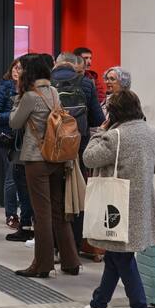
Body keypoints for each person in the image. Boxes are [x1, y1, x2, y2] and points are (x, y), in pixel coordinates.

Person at [68, 90, 155, 308]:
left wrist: (99, 132)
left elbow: (89, 159)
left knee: (121, 258)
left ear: (114, 112)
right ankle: (98, 306)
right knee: (115, 256)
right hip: (141, 205)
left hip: (117, 207)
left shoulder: (114, 136)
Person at [10, 54, 80, 278]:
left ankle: (41, 265)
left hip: (36, 158)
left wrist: (16, 100)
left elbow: (15, 122)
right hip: (57, 157)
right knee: (59, 212)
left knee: (42, 215)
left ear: (29, 73)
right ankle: (70, 261)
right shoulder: (53, 92)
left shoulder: (30, 96)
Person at [51, 52, 105, 250]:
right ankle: (74, 245)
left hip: (52, 148)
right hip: (78, 146)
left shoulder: (47, 83)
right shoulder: (86, 83)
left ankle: (55, 246)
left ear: (58, 63)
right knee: (77, 194)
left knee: (54, 195)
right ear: (76, 66)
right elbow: (98, 118)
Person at [0, 58, 33, 240]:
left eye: (20, 68)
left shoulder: (28, 90)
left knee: (19, 176)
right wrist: (16, 115)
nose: (17, 71)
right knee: (11, 175)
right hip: (7, 137)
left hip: (22, 138)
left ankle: (24, 214)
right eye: (15, 67)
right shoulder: (4, 88)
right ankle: (10, 213)